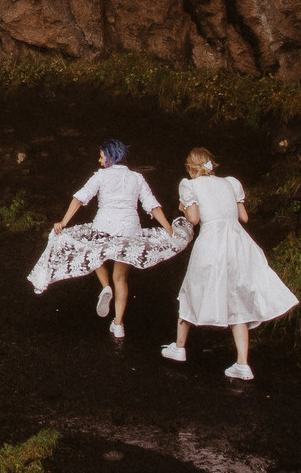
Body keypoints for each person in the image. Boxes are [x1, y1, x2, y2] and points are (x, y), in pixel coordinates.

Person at [160, 146, 298, 380]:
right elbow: (243, 217)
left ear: (190, 168)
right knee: (237, 296)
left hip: (212, 241)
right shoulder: (230, 183)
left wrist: (183, 208)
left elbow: (193, 219)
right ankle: (242, 364)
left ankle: (180, 347)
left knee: (193, 289)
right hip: (238, 242)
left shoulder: (189, 185)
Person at [26, 139, 184, 339]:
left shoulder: (101, 176)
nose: (99, 161)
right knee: (121, 278)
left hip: (104, 227)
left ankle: (105, 286)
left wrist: (63, 222)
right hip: (129, 230)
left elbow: (80, 198)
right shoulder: (137, 177)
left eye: (101, 156)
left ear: (110, 158)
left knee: (92, 252)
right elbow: (152, 205)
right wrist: (169, 230)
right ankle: (118, 324)